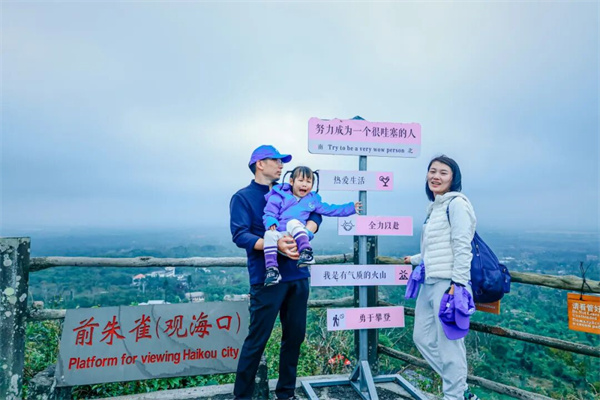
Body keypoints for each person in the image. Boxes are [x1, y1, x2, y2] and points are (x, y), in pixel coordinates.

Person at [229, 145, 323, 400]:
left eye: (282, 162)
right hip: (267, 278)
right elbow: (240, 235)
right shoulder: (243, 197)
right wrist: (276, 244)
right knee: (257, 341)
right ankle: (242, 397)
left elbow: (316, 211)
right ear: (260, 164)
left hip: (298, 274)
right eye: (276, 160)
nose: (281, 165)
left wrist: (309, 229)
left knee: (295, 337)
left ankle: (286, 394)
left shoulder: (288, 190)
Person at [403, 155, 480, 400]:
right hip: (429, 280)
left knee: (450, 345)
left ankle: (454, 395)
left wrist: (458, 284)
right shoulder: (435, 207)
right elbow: (436, 246)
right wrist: (416, 259)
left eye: (443, 172)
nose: (436, 176)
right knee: (421, 338)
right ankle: (460, 388)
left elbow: (462, 245)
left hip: (449, 284)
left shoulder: (457, 204)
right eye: (432, 171)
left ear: (453, 178)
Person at [262, 165, 362, 286]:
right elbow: (269, 213)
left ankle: (306, 252)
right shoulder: (279, 196)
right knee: (269, 234)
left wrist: (351, 208)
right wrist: (271, 221)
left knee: (293, 222)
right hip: (280, 238)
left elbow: (330, 209)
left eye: (308, 182)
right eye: (301, 180)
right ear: (291, 181)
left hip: (298, 237)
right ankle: (272, 270)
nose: (304, 184)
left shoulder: (312, 200)